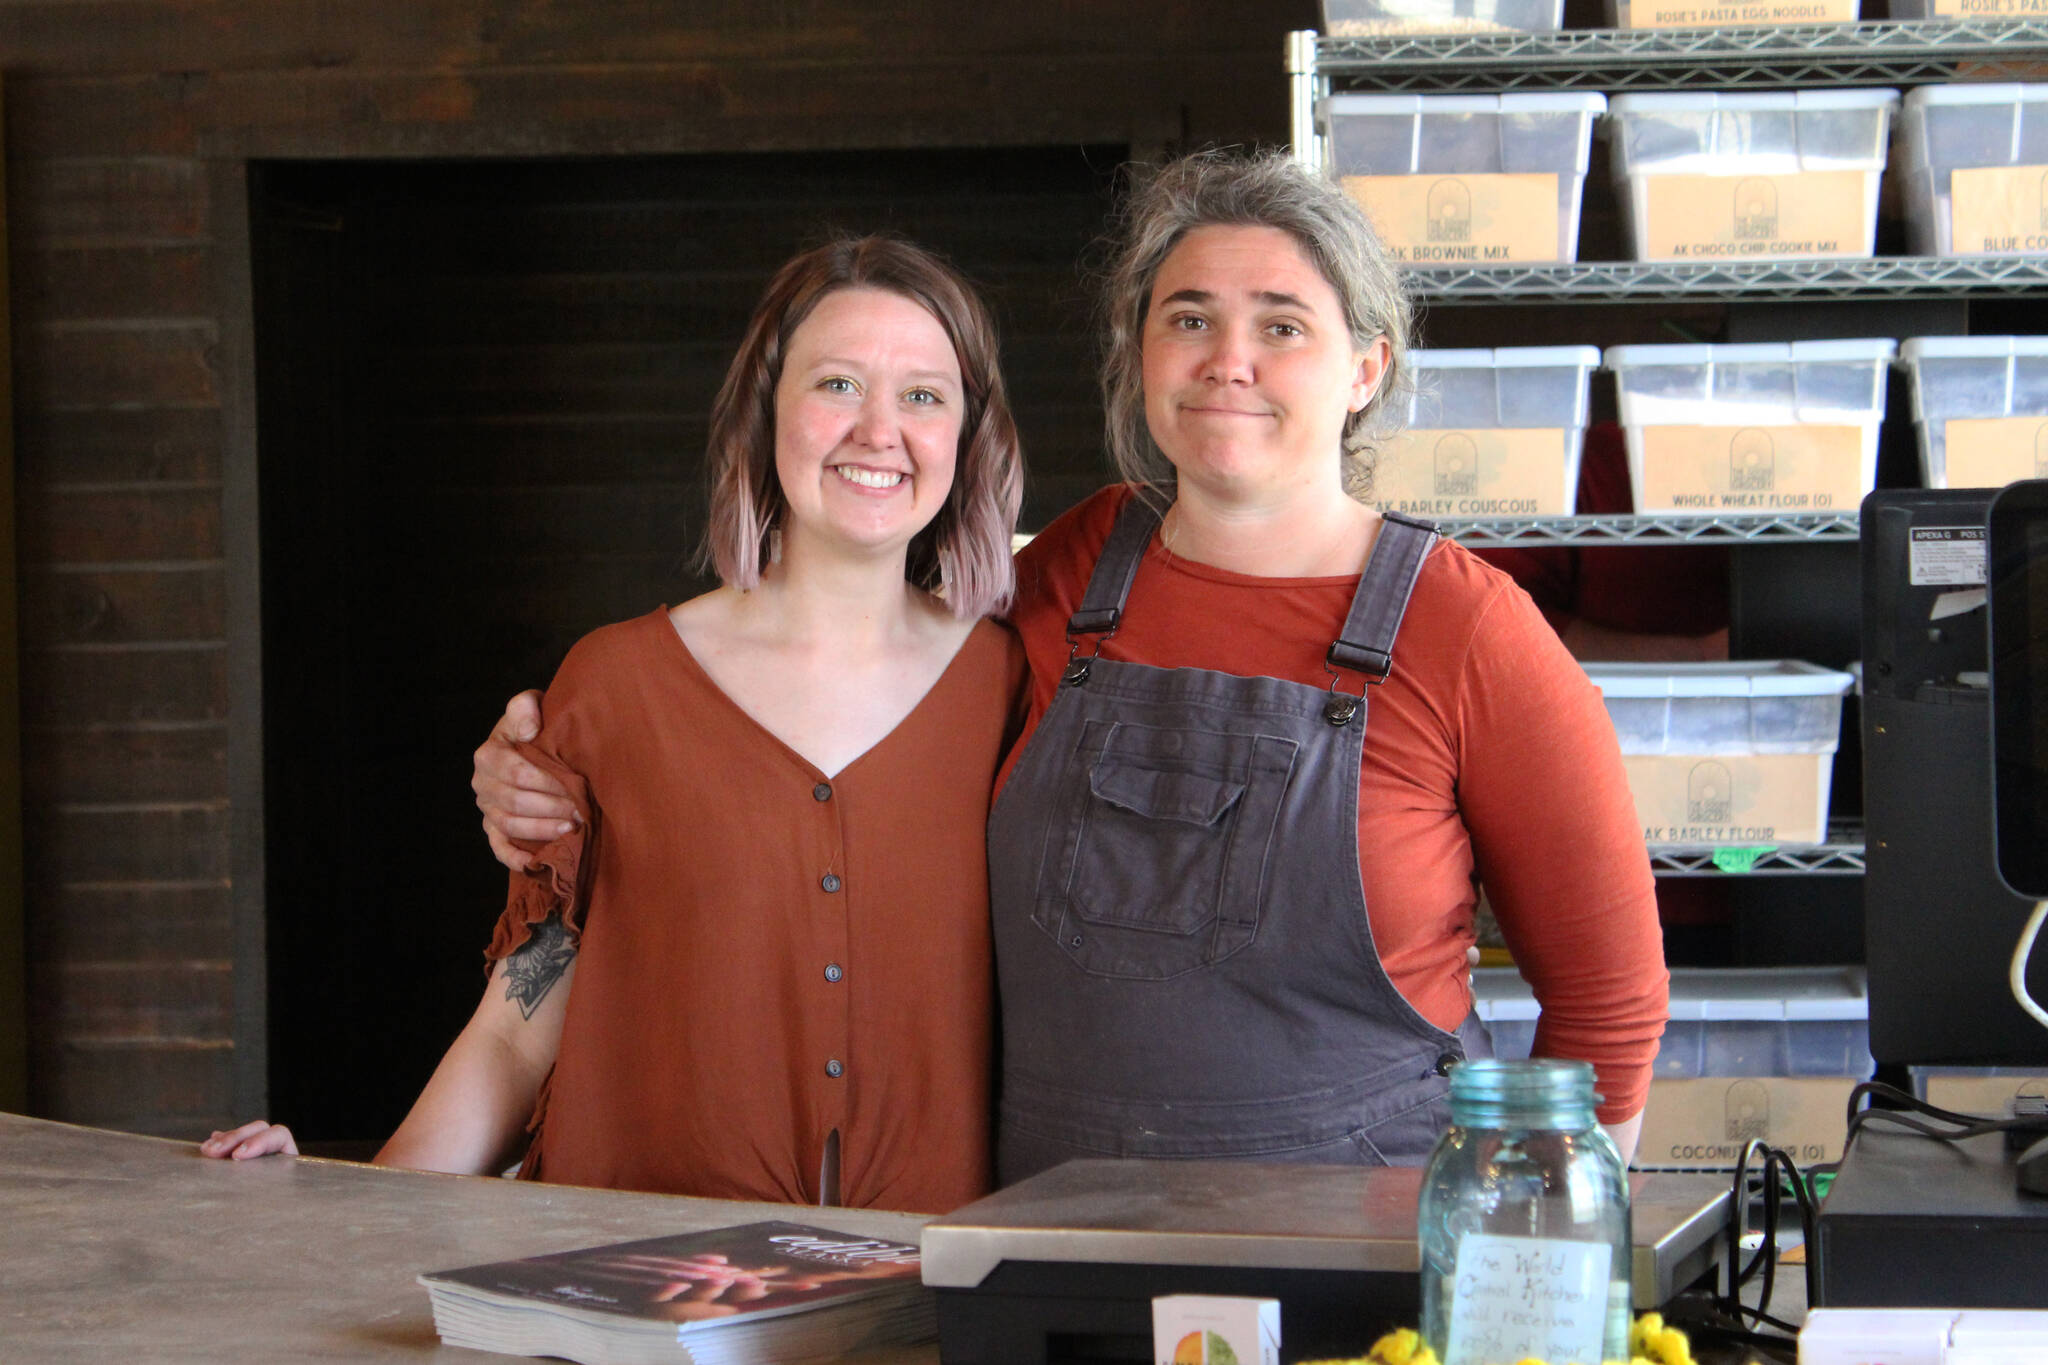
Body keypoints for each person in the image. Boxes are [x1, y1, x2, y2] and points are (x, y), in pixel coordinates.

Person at [472, 150, 1669, 1176]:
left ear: (1363, 369)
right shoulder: (1064, 576)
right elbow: (831, 693)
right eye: (1187, 317)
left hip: (1357, 1255)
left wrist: (1528, 1271)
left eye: (1282, 325)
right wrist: (547, 779)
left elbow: (1609, 1010)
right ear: (1138, 352)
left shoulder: (1468, 633)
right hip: (1048, 1252)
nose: (1226, 360)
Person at [201, 235, 1028, 1215]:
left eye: (923, 396)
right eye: (837, 385)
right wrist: (335, 1220)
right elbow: (515, 1031)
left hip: (921, 1303)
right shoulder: (616, 684)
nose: (878, 430)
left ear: (969, 436)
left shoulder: (1015, 686)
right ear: (763, 416)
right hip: (634, 1295)